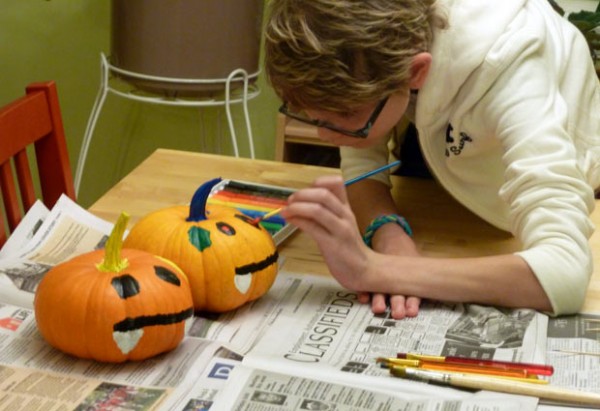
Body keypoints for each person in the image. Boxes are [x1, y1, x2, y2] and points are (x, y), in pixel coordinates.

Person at [263, 0, 600, 319]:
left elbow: (564, 273)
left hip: (545, 181)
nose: (324, 135)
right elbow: (363, 161)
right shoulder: (380, 44)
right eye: (312, 116)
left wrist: (377, 270)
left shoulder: (513, 66)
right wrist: (388, 233)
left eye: (343, 115)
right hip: (447, 163)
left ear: (416, 72)